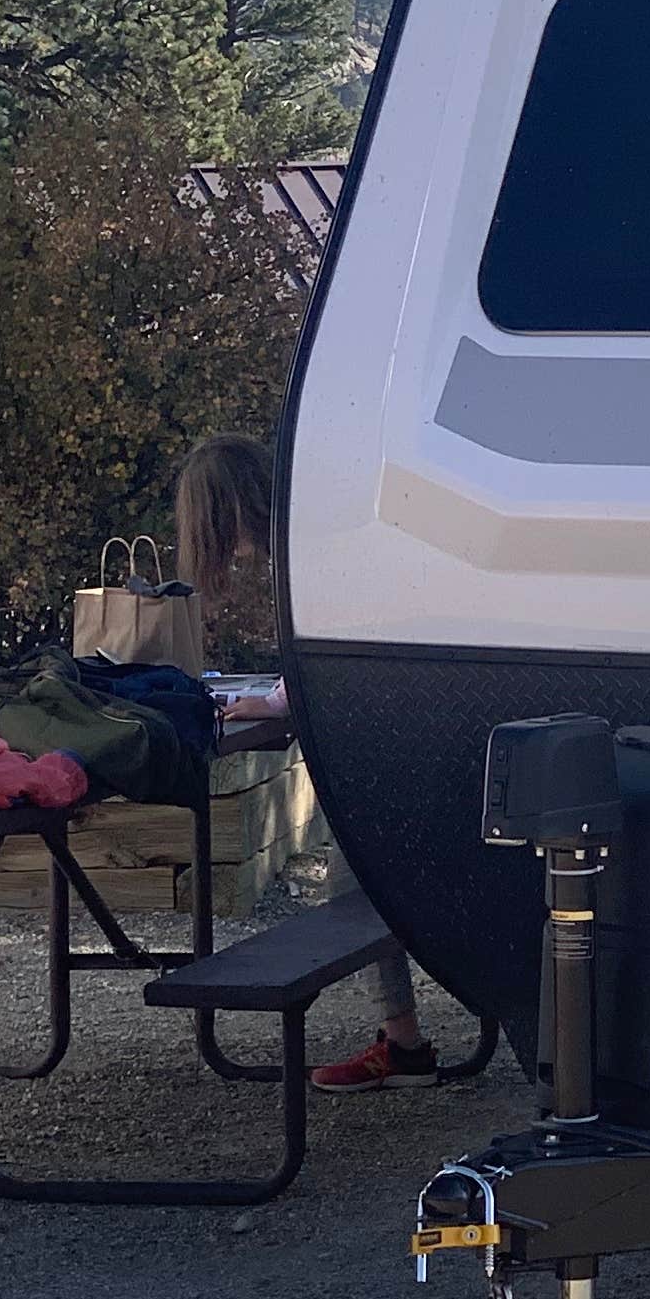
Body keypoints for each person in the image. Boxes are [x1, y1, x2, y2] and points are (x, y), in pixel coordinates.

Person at [174, 432, 439, 1091]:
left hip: (388, 742)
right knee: (363, 885)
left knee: (362, 887)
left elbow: (339, 645)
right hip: (399, 728)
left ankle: (407, 1045)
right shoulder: (316, 530)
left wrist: (277, 704)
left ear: (232, 510)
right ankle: (404, 1045)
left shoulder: (311, 545)